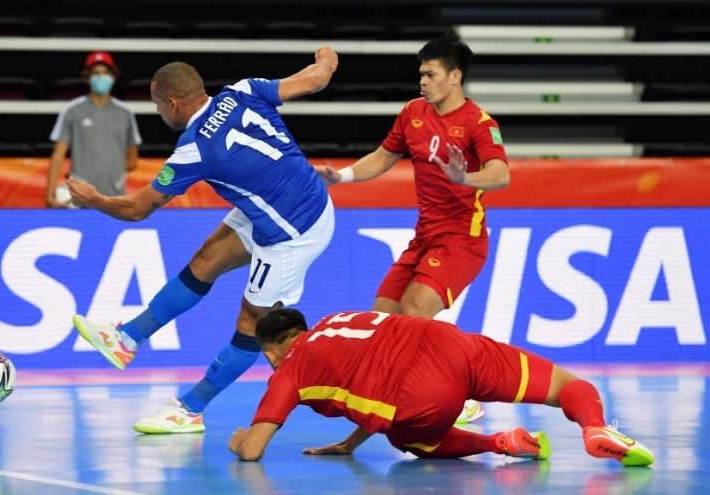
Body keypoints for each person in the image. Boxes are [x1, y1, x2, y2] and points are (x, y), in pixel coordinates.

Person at [67, 46, 340, 434]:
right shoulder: (242, 90)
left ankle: (190, 409)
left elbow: (137, 209)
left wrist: (94, 200)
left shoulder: (195, 148)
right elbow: (315, 79)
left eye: (158, 106)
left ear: (174, 103)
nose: (159, 114)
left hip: (294, 231)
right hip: (283, 201)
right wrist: (327, 59)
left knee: (252, 321)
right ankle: (126, 338)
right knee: (207, 258)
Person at [314, 31, 510, 425]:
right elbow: (384, 156)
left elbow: (501, 174)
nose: (423, 81)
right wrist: (344, 176)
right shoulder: (412, 112)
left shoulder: (478, 123)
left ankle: (461, 396)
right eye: (421, 73)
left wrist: (464, 177)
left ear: (455, 77)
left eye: (431, 74)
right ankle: (398, 400)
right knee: (383, 319)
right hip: (423, 238)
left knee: (415, 311)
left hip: (462, 240)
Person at [228, 308, 654, 468]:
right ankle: (594, 427)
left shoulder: (289, 371)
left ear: (272, 351)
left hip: (421, 395)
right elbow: (371, 374)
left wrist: (239, 440)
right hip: (448, 342)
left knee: (411, 439)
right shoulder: (339, 319)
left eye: (267, 354)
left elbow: (253, 451)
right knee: (565, 384)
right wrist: (351, 443)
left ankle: (498, 443)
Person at [46, 51, 142, 207]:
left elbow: (132, 161)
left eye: (105, 73)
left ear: (113, 77)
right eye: (96, 73)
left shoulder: (125, 112)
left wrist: (108, 171)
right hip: (79, 199)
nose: (100, 77)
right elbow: (58, 154)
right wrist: (49, 196)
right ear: (87, 77)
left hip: (115, 199)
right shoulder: (72, 110)